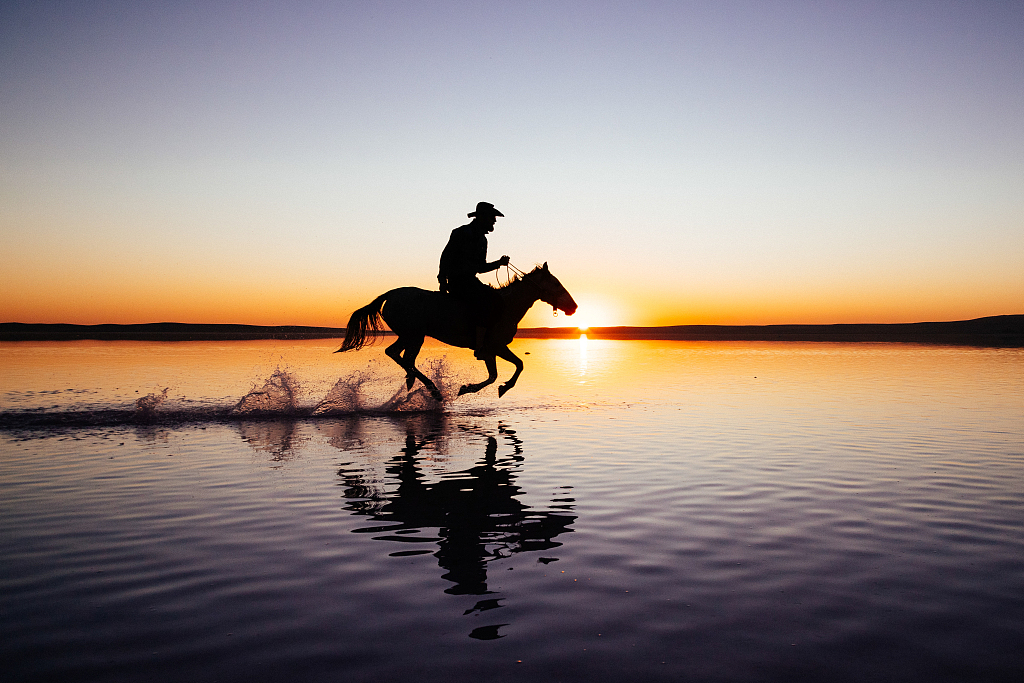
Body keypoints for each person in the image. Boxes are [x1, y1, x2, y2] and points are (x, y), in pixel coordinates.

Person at [438, 202, 510, 358]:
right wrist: (442, 280)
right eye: (492, 218)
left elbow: (480, 268)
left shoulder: (483, 240)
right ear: (482, 218)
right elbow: (446, 257)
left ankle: (483, 340)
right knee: (484, 303)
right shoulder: (461, 233)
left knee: (496, 300)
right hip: (458, 281)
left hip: (471, 281)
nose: (494, 222)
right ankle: (479, 345)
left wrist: (499, 263)